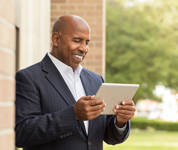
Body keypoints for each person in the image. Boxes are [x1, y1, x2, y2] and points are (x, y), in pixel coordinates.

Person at [15, 15, 136, 150]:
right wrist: (73, 115)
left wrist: (120, 122)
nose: (84, 48)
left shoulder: (96, 80)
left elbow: (108, 137)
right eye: (77, 40)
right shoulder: (28, 78)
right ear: (56, 39)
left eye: (87, 42)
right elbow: (21, 134)